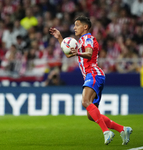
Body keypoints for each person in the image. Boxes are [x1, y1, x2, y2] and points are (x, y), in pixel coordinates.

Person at [49, 16, 132, 145]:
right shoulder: (81, 41)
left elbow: (88, 53)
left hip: (93, 74)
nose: (74, 27)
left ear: (85, 27)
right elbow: (68, 54)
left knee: (85, 101)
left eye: (77, 25)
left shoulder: (87, 38)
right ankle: (122, 129)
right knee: (91, 115)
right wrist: (60, 38)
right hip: (93, 76)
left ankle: (106, 131)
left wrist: (77, 53)